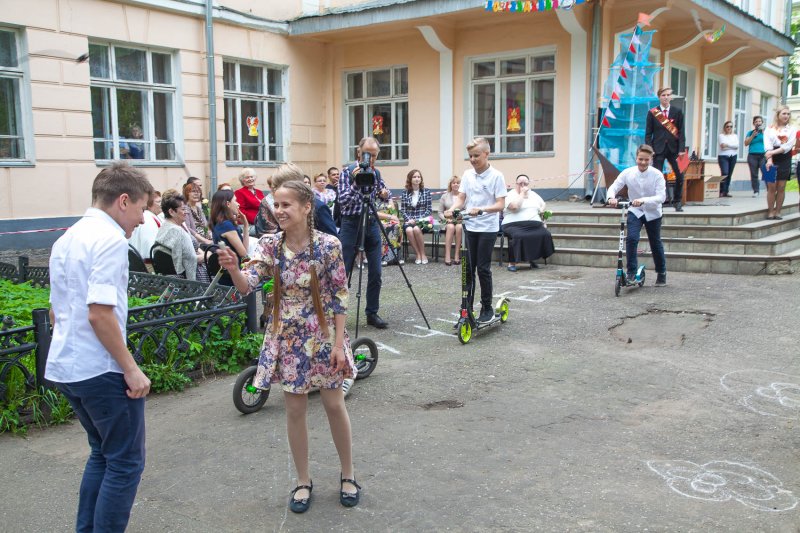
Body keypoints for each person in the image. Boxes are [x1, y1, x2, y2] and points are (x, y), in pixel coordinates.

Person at [217, 179, 361, 513]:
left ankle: (348, 475)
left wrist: (339, 344)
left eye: (286, 205)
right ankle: (302, 480)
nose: (278, 211)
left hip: (324, 334)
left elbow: (340, 295)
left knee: (334, 404)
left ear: (306, 207)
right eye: (276, 205)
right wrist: (234, 269)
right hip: (287, 337)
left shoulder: (328, 245)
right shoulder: (269, 245)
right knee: (295, 410)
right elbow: (246, 286)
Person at [45, 162, 153, 532]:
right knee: (125, 463)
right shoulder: (110, 240)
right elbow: (99, 314)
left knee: (103, 455)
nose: (142, 219)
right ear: (123, 201)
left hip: (69, 367)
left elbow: (56, 311)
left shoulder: (68, 237)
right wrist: (131, 369)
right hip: (101, 370)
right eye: (141, 208)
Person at [443, 137, 507, 324]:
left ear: (487, 154)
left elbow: (500, 204)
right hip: (470, 227)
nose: (472, 159)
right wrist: (452, 209)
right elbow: (461, 198)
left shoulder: (497, 176)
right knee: (468, 269)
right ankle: (466, 310)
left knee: (483, 269)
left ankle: (487, 308)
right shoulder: (467, 175)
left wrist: (481, 210)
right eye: (470, 156)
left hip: (487, 228)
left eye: (476, 156)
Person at [338, 137, 391, 329]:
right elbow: (343, 201)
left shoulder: (376, 172)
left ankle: (372, 313)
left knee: (376, 271)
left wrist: (384, 194)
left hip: (371, 223)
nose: (371, 159)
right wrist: (356, 182)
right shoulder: (347, 172)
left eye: (374, 155)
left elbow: (384, 195)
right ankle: (337, 314)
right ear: (359, 152)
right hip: (351, 224)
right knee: (343, 271)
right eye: (367, 154)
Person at [607, 144, 667, 286]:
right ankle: (631, 273)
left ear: (651, 159)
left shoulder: (657, 175)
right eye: (640, 159)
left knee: (655, 242)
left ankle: (661, 272)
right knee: (632, 239)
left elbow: (661, 197)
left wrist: (643, 200)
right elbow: (614, 186)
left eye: (646, 160)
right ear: (636, 158)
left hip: (653, 212)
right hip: (635, 211)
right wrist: (611, 198)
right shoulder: (628, 172)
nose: (643, 162)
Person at [502, 174, 555, 272]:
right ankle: (512, 263)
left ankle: (532, 258)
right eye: (520, 184)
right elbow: (514, 206)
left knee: (545, 234)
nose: (523, 186)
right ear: (516, 184)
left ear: (528, 184)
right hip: (513, 225)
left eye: (525, 184)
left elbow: (543, 204)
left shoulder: (533, 194)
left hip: (534, 225)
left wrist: (542, 213)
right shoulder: (510, 195)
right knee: (518, 236)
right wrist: (522, 194)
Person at [645, 87, 686, 211]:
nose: (666, 97)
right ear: (659, 97)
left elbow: (681, 132)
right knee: (657, 176)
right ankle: (658, 202)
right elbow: (648, 134)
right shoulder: (653, 113)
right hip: (658, 149)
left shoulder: (677, 111)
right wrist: (650, 149)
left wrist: (682, 149)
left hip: (675, 149)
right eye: (663, 95)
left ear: (671, 97)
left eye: (668, 95)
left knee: (680, 175)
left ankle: (677, 201)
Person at [271, 165, 339, 238]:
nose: (278, 190)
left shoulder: (318, 207)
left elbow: (332, 237)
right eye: (276, 186)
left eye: (280, 186)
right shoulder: (280, 210)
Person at [153, 193, 207, 281]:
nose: (186, 212)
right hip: (191, 278)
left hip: (170, 278)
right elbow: (190, 261)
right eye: (183, 209)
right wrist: (207, 256)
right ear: (171, 212)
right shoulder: (179, 232)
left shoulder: (164, 228)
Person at [763, 105, 797, 220]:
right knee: (771, 186)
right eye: (784, 113)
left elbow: (787, 146)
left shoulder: (791, 129)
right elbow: (767, 145)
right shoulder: (769, 128)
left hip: (784, 157)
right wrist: (769, 159)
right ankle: (770, 211)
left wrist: (772, 153)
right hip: (769, 157)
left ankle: (778, 211)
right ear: (778, 115)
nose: (786, 116)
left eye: (788, 114)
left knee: (781, 187)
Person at [211, 189, 249, 285]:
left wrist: (245, 226)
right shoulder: (226, 225)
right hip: (233, 277)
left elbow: (244, 251)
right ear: (228, 204)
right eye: (235, 201)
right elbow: (244, 254)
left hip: (225, 274)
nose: (238, 204)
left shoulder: (220, 223)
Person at [400, 169, 433, 265]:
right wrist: (409, 220)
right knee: (409, 230)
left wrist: (417, 220)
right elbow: (403, 210)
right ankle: (417, 254)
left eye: (419, 177)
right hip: (409, 221)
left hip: (423, 220)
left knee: (416, 229)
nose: (417, 179)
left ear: (421, 179)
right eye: (414, 177)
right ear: (410, 179)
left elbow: (429, 210)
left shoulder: (426, 191)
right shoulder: (405, 193)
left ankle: (423, 254)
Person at [128, 189, 161, 262]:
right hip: (147, 262)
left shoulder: (149, 217)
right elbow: (149, 246)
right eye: (158, 202)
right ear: (149, 205)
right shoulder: (148, 219)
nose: (161, 205)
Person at [439, 176, 462, 266]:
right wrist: (446, 219)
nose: (456, 184)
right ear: (450, 185)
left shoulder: (464, 196)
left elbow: (467, 210)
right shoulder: (444, 196)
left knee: (459, 227)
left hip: (460, 221)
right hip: (447, 221)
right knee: (450, 227)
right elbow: (440, 212)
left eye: (458, 183)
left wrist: (460, 217)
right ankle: (447, 255)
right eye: (453, 183)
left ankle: (457, 255)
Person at [234, 168, 265, 232]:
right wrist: (258, 219)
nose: (250, 179)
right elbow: (240, 211)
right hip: (250, 224)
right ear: (243, 180)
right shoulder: (239, 192)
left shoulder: (259, 192)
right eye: (247, 177)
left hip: (264, 222)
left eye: (251, 177)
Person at [376, 196, 403, 266]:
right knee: (384, 227)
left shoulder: (389, 199)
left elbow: (394, 213)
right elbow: (373, 213)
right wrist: (389, 218)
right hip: (376, 220)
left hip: (389, 220)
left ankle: (396, 257)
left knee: (396, 226)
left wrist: (389, 200)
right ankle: (384, 258)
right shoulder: (374, 199)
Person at [744, 116, 766, 198]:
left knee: (766, 172)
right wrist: (752, 136)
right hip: (752, 155)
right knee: (754, 174)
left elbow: (771, 142)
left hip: (763, 155)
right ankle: (756, 191)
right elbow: (746, 143)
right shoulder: (750, 133)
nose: (758, 123)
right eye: (756, 121)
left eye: (760, 121)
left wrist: (764, 133)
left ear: (762, 123)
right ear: (754, 123)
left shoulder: (766, 132)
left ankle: (770, 189)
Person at [718, 121, 738, 198]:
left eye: (731, 126)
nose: (729, 128)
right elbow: (722, 146)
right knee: (725, 173)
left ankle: (726, 192)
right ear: (724, 128)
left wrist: (728, 145)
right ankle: (721, 191)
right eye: (727, 126)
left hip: (733, 156)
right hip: (723, 156)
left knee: (729, 174)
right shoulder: (721, 136)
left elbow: (736, 146)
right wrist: (732, 146)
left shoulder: (735, 136)